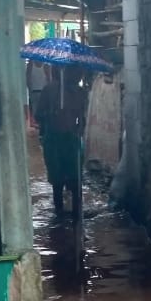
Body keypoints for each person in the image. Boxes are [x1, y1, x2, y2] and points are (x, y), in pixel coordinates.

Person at [36, 68, 87, 216]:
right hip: (53, 140)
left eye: (80, 73)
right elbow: (38, 115)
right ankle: (59, 213)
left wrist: (79, 127)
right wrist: (51, 113)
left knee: (76, 179)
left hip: (72, 140)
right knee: (57, 180)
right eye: (76, 72)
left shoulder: (80, 92)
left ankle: (77, 215)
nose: (79, 76)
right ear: (66, 72)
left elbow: (82, 117)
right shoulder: (49, 90)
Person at [25, 59, 48, 130]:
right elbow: (49, 79)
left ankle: (40, 129)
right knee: (44, 112)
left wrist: (30, 90)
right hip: (44, 92)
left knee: (36, 113)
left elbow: (28, 79)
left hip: (34, 91)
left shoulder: (30, 64)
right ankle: (43, 129)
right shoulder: (45, 65)